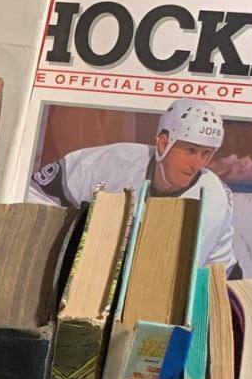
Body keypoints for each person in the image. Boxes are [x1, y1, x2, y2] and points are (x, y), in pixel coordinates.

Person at [30, 99, 236, 272]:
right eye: (190, 150)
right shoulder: (113, 162)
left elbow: (213, 276)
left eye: (206, 153)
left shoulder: (214, 200)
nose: (197, 164)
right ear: (164, 144)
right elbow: (37, 191)